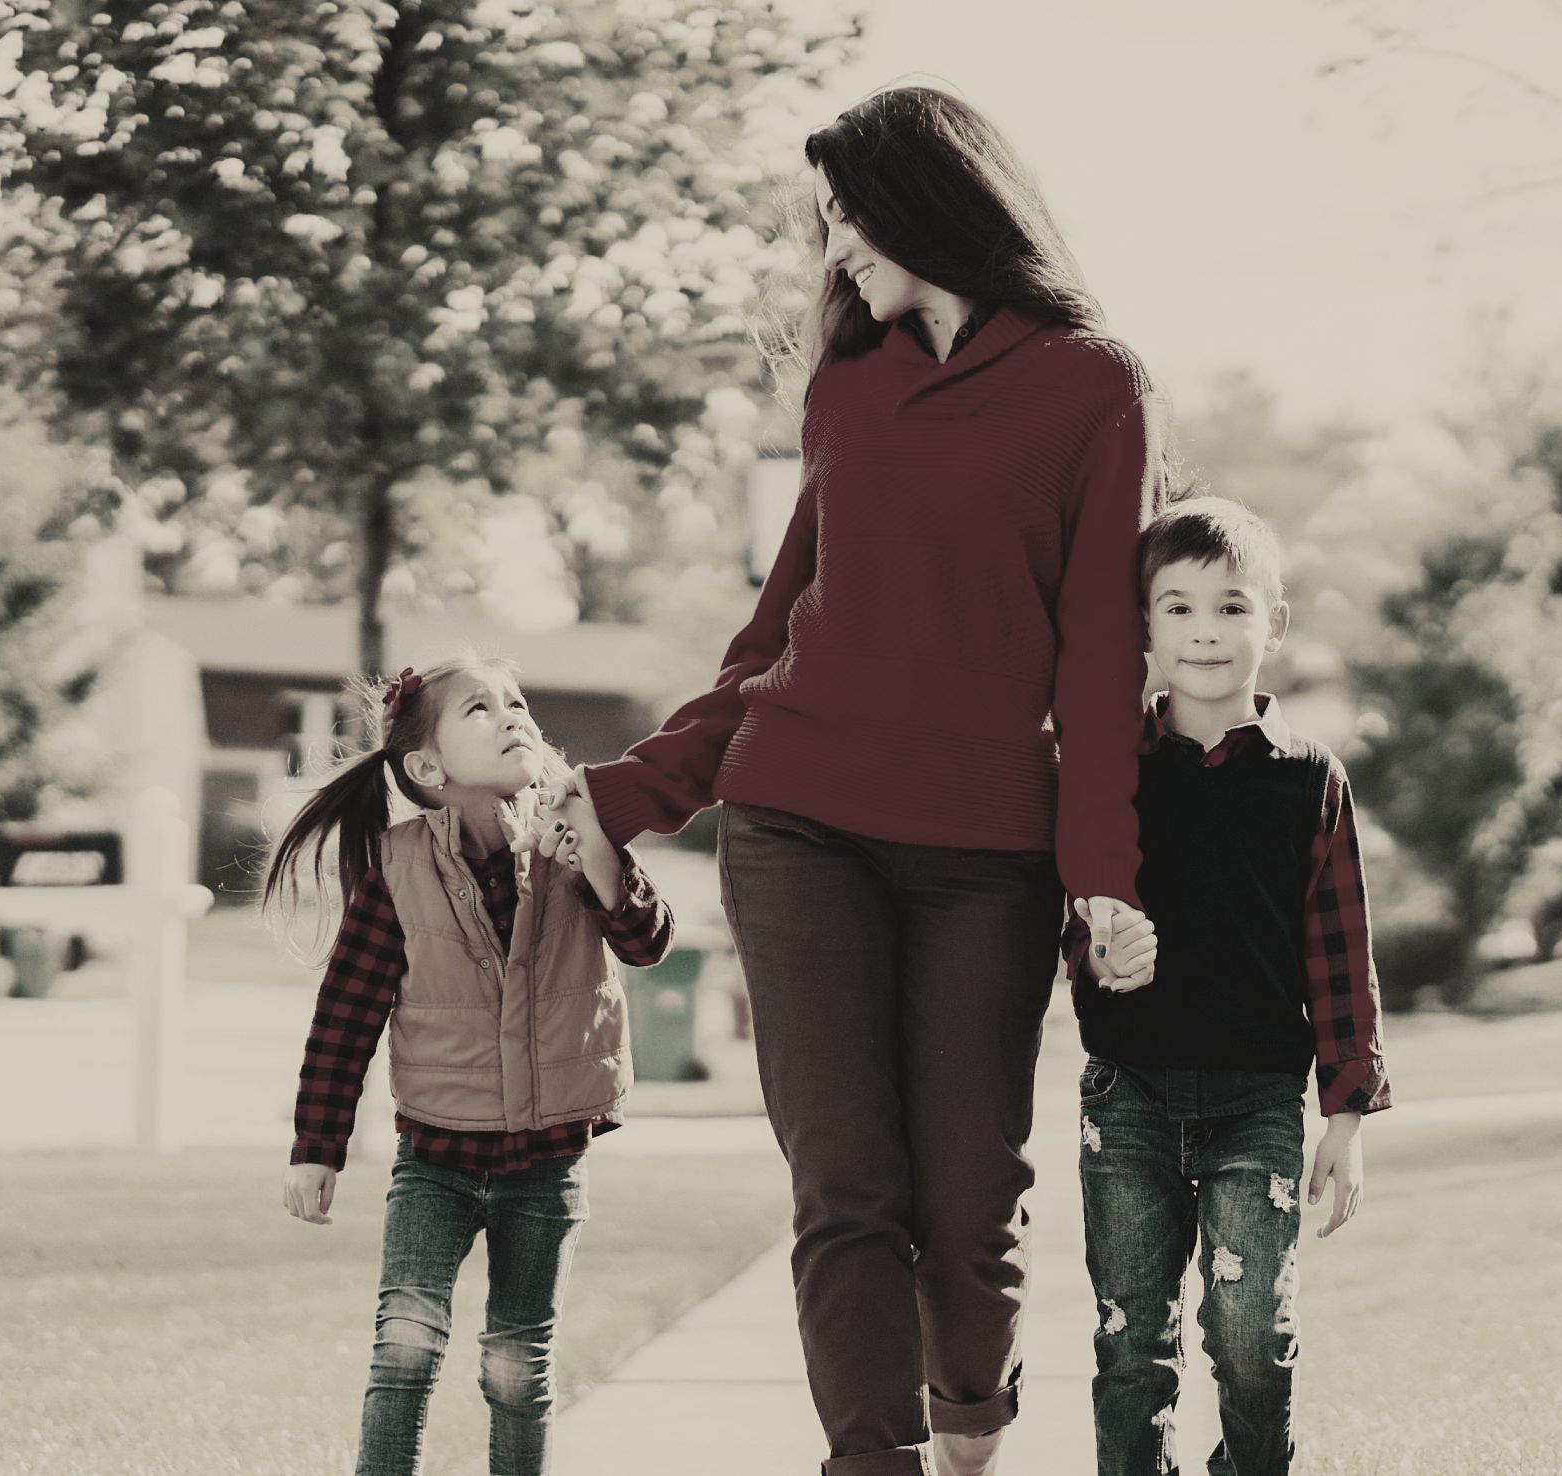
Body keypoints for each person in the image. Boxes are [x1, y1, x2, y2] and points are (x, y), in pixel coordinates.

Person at [550, 85, 1166, 1476]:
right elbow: (776, 631)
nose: (831, 249)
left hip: (983, 853)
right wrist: (637, 790)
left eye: (846, 216)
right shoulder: (849, 382)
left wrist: (1101, 876)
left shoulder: (1090, 382)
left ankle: (969, 1416)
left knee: (965, 1200)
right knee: (844, 1190)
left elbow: (1097, 655)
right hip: (797, 824)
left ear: (928, 203)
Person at [268, 657, 673, 1476]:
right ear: (428, 768)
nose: (512, 716)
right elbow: (346, 1015)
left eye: (518, 701)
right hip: (436, 1162)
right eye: (480, 709)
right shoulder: (397, 866)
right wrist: (317, 1145)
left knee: (516, 1369)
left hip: (547, 1164)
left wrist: (596, 854)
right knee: (405, 1349)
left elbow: (647, 942)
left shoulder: (576, 842)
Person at [1065, 497, 1393, 1476]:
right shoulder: (1104, 772)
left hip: (1255, 1099)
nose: (1205, 630)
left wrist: (1347, 1112)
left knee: (1253, 1337)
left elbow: (1340, 951)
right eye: (1177, 608)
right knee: (1131, 1342)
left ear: (1273, 624)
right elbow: (1065, 920)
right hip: (1126, 1092)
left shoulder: (1307, 779)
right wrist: (1092, 949)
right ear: (1142, 629)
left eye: (1231, 606)